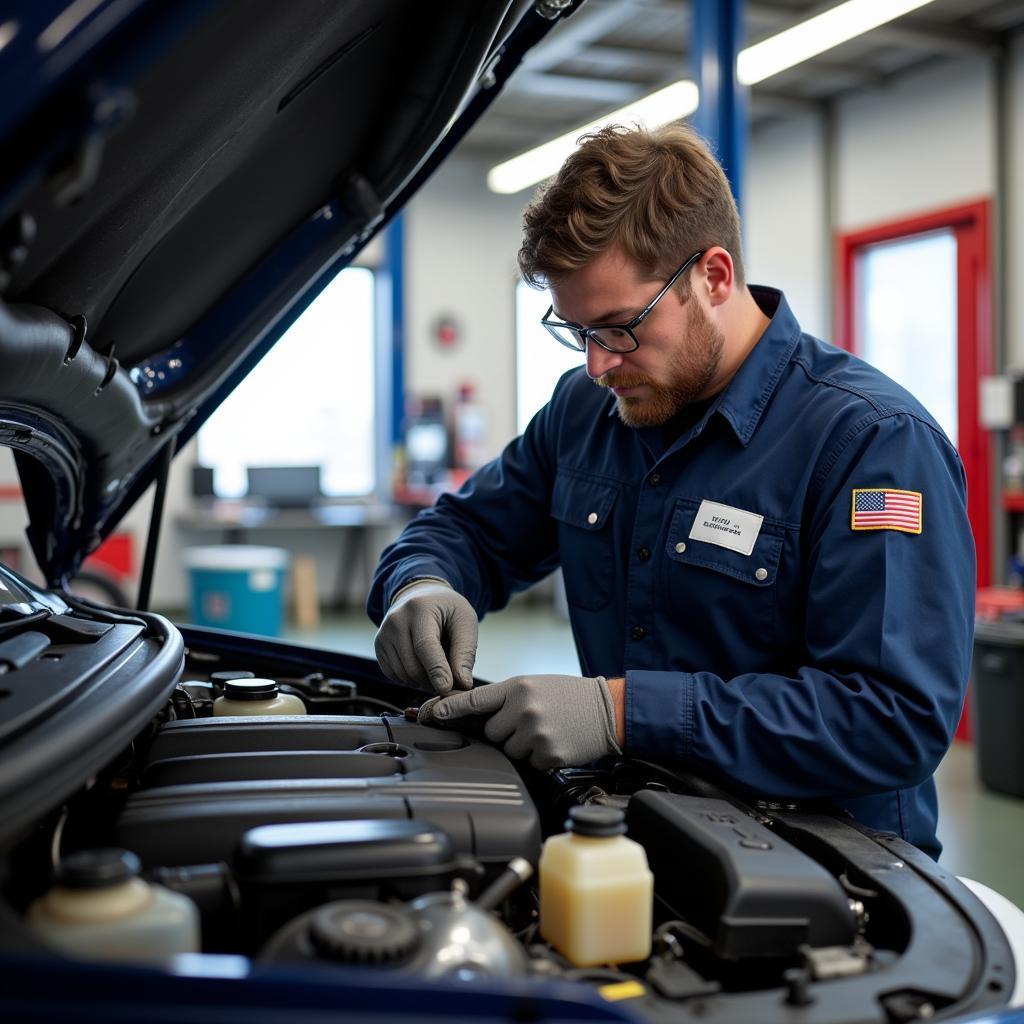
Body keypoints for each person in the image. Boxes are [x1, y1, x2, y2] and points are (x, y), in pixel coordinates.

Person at [367, 123, 974, 859]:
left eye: (620, 328)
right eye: (574, 330)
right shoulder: (586, 411)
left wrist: (621, 713)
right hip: (639, 836)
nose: (596, 365)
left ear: (714, 276)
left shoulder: (873, 444)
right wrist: (420, 584)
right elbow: (467, 531)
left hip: (831, 872)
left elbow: (889, 722)